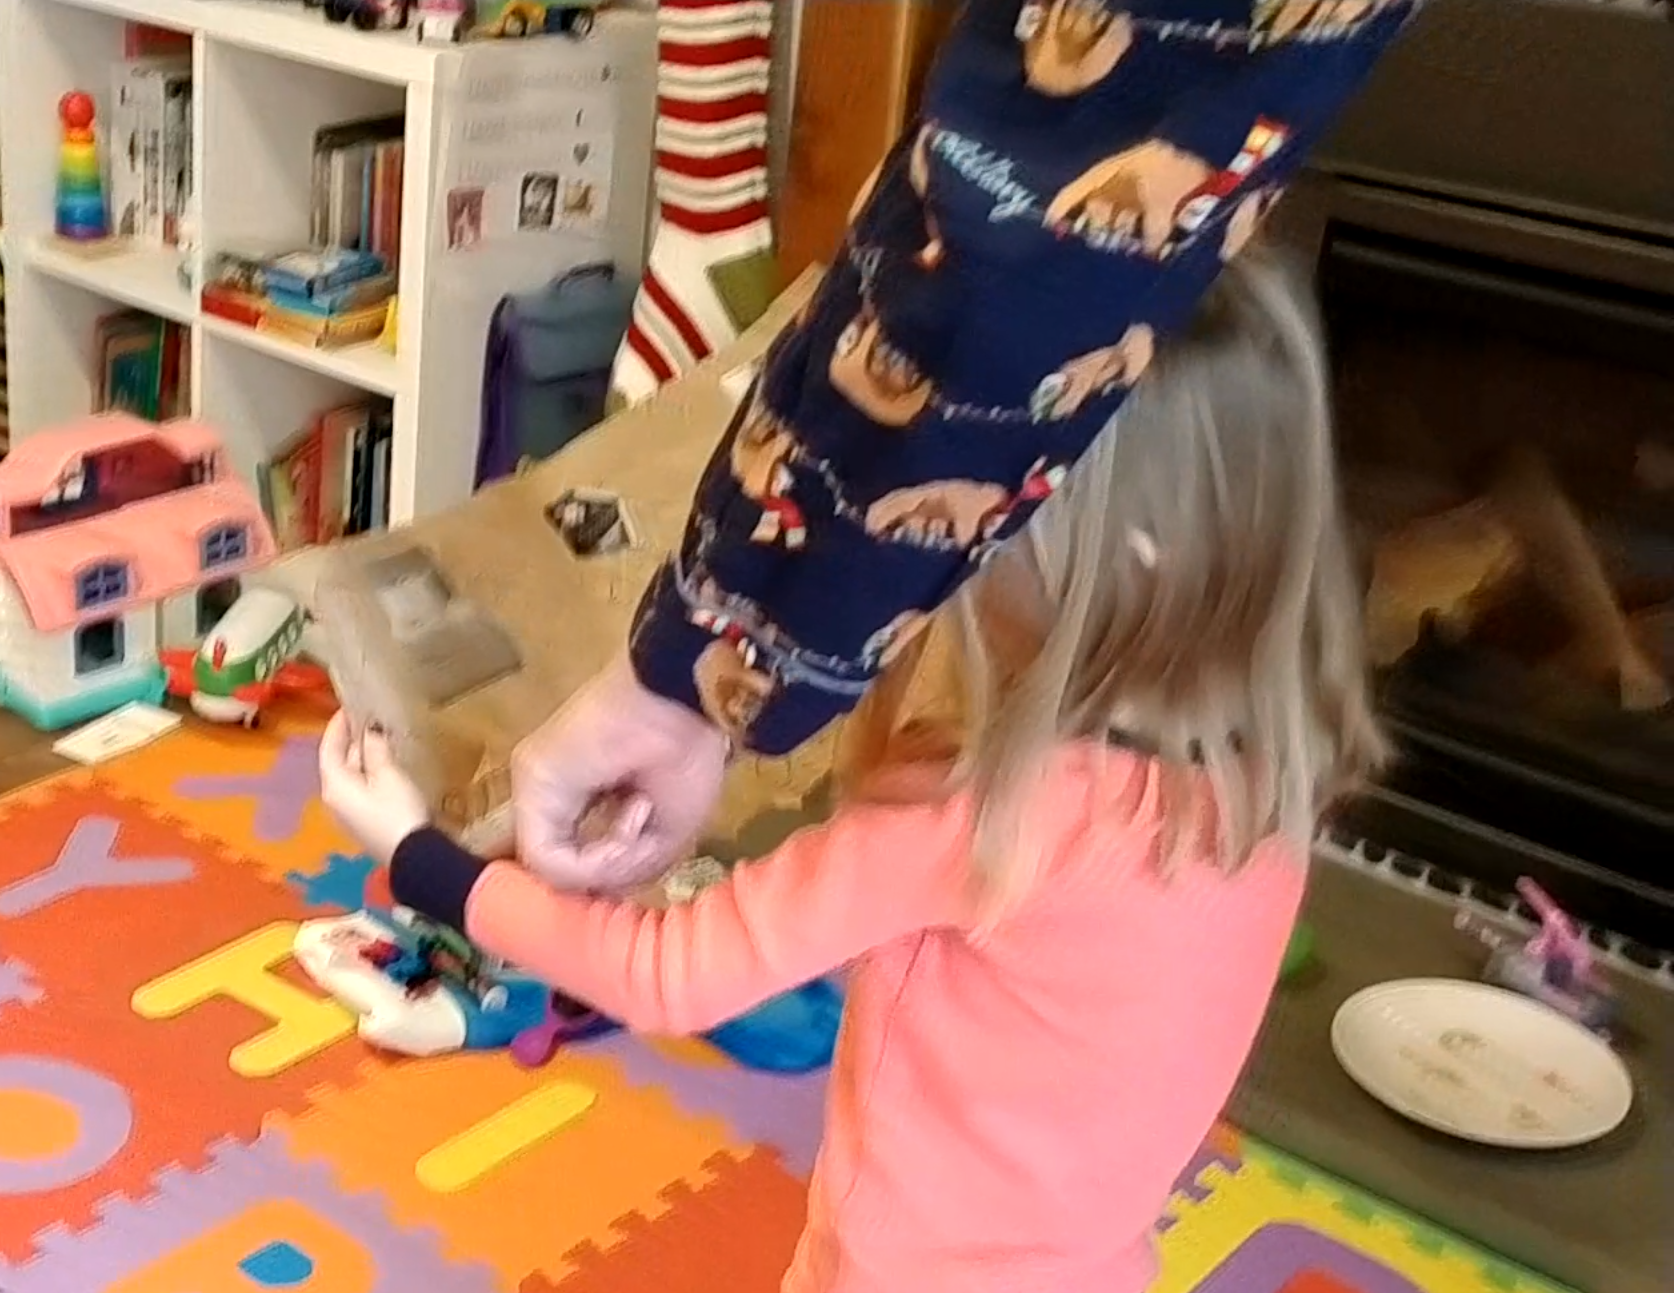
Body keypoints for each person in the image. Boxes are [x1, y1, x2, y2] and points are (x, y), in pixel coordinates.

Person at [318, 254, 1386, 1293]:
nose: (941, 543)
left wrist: (423, 858)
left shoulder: (982, 813)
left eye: (977, 519)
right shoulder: (1264, 785)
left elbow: (665, 975)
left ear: (1117, 544)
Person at [513, 0, 1420, 892]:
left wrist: (479, 879)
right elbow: (1002, 212)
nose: (957, 579)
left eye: (988, 541)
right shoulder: (1256, 813)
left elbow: (1011, 236)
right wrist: (689, 677)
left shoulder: (966, 817)